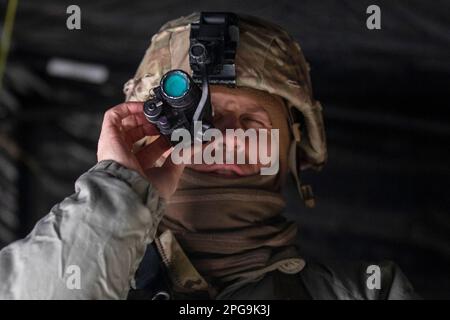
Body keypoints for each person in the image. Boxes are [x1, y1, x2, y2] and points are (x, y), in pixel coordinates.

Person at [0, 12, 417, 300]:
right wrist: (115, 195)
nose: (222, 138)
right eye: (200, 120)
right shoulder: (81, 269)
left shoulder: (370, 292)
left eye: (250, 121)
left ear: (294, 153)